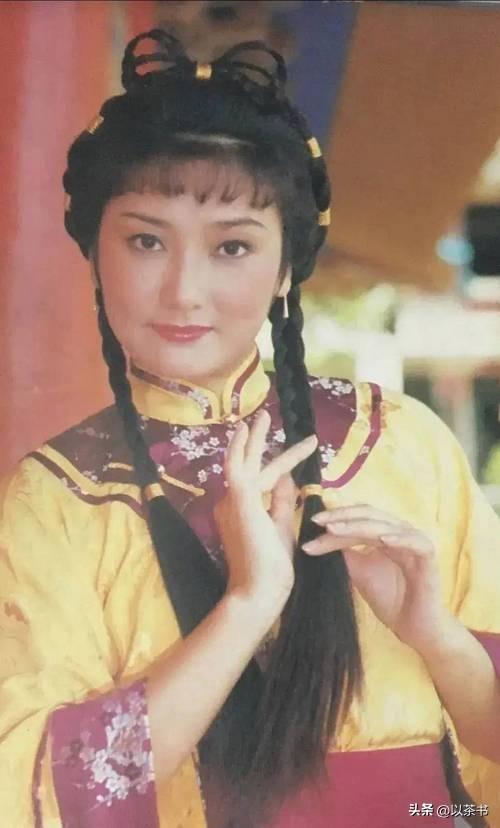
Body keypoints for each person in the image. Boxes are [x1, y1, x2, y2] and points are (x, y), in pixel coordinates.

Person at [1, 29, 499, 828]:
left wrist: (437, 636)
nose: (184, 290)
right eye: (146, 240)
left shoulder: (399, 440)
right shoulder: (56, 500)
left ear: (286, 268)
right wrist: (246, 606)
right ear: (94, 253)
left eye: (232, 246)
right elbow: (37, 791)